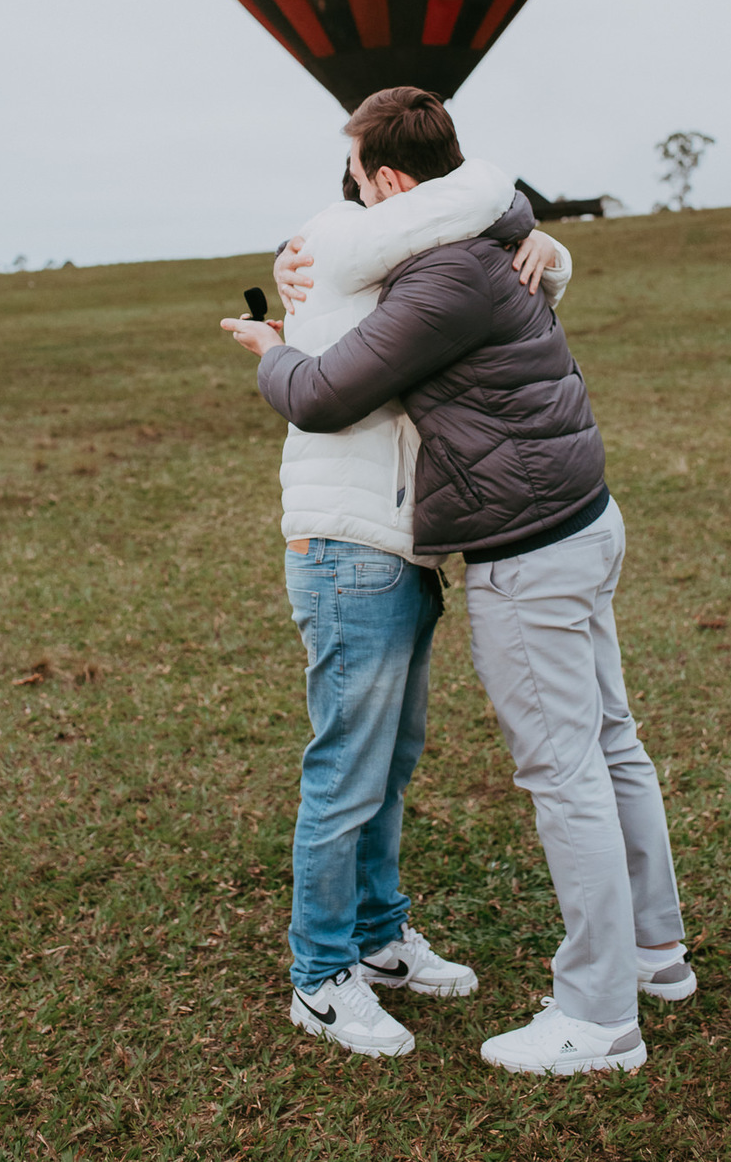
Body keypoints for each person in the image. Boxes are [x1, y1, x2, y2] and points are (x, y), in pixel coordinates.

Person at [226, 87, 694, 1076]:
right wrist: (544, 244)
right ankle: (646, 956)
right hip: (493, 527)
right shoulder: (478, 234)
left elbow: (318, 387)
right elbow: (353, 253)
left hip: (521, 544)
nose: (346, 195)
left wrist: (269, 345)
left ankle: (601, 1013)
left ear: (391, 181)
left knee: (557, 767)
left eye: (355, 175)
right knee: (581, 749)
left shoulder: (435, 272)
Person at [222, 137, 570, 1059]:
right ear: (386, 189)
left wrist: (547, 248)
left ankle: (377, 941)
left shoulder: (401, 251)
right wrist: (523, 226)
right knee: (346, 771)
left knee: (387, 764)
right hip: (349, 547)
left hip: (397, 544)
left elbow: (488, 258)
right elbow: (476, 211)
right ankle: (320, 975)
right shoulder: (338, 237)